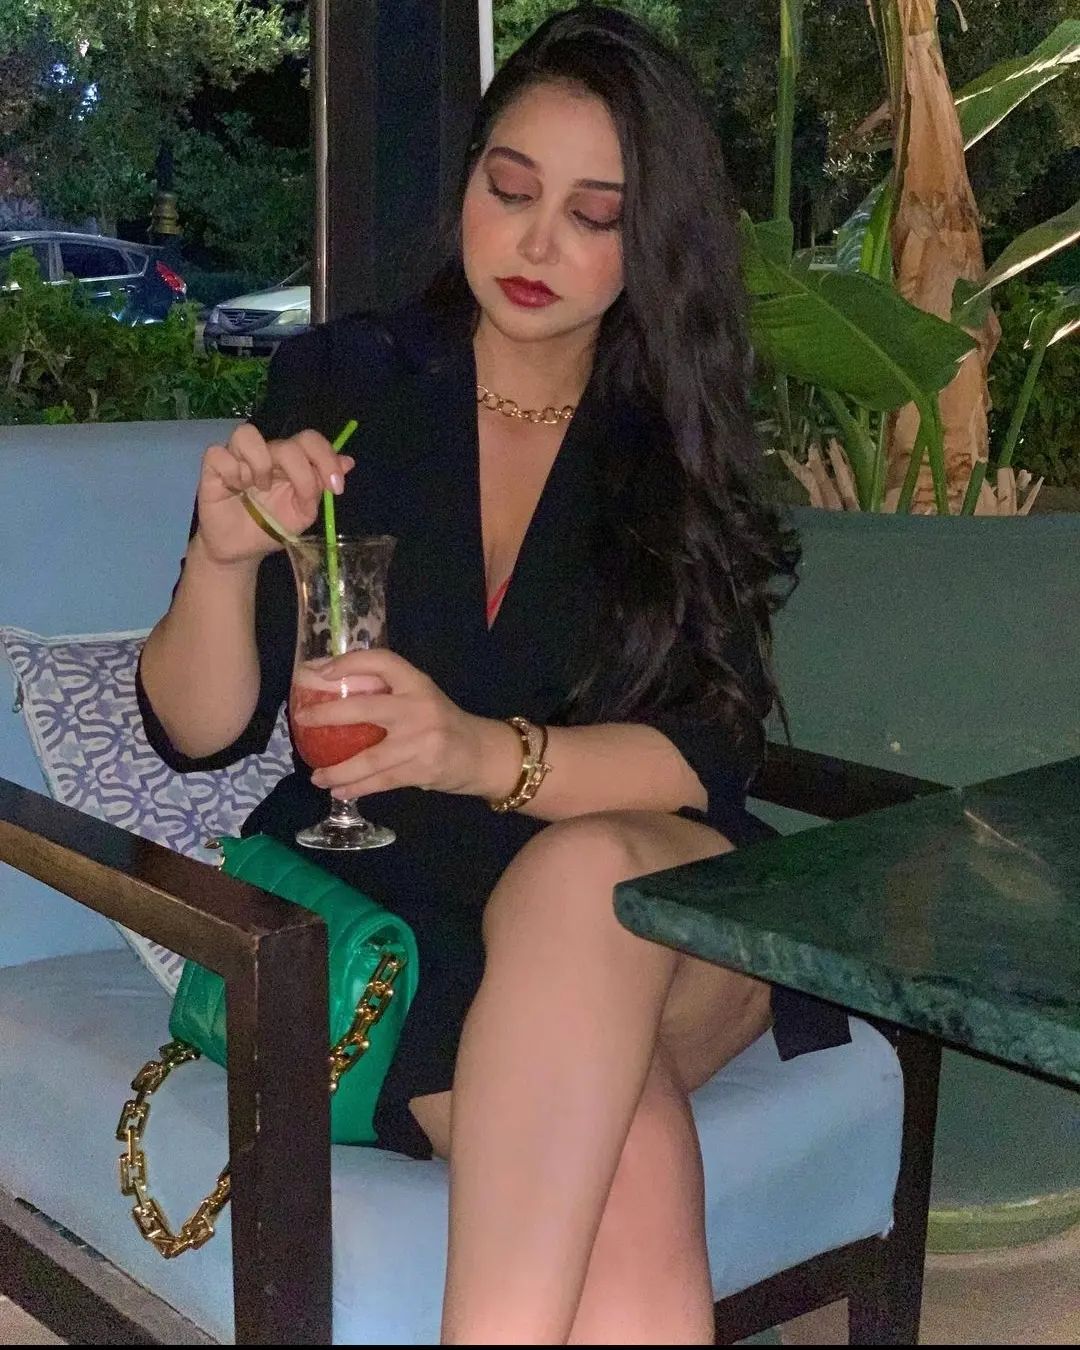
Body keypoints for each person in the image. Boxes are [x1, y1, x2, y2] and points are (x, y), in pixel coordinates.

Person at [138, 6, 849, 1342]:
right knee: (626, 1149)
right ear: (468, 180)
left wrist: (485, 754)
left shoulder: (674, 435)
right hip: (412, 914)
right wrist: (222, 562)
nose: (535, 244)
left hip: (647, 881)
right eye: (511, 190)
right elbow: (198, 728)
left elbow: (710, 750)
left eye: (593, 214)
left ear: (651, 240)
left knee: (579, 880)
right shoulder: (346, 380)